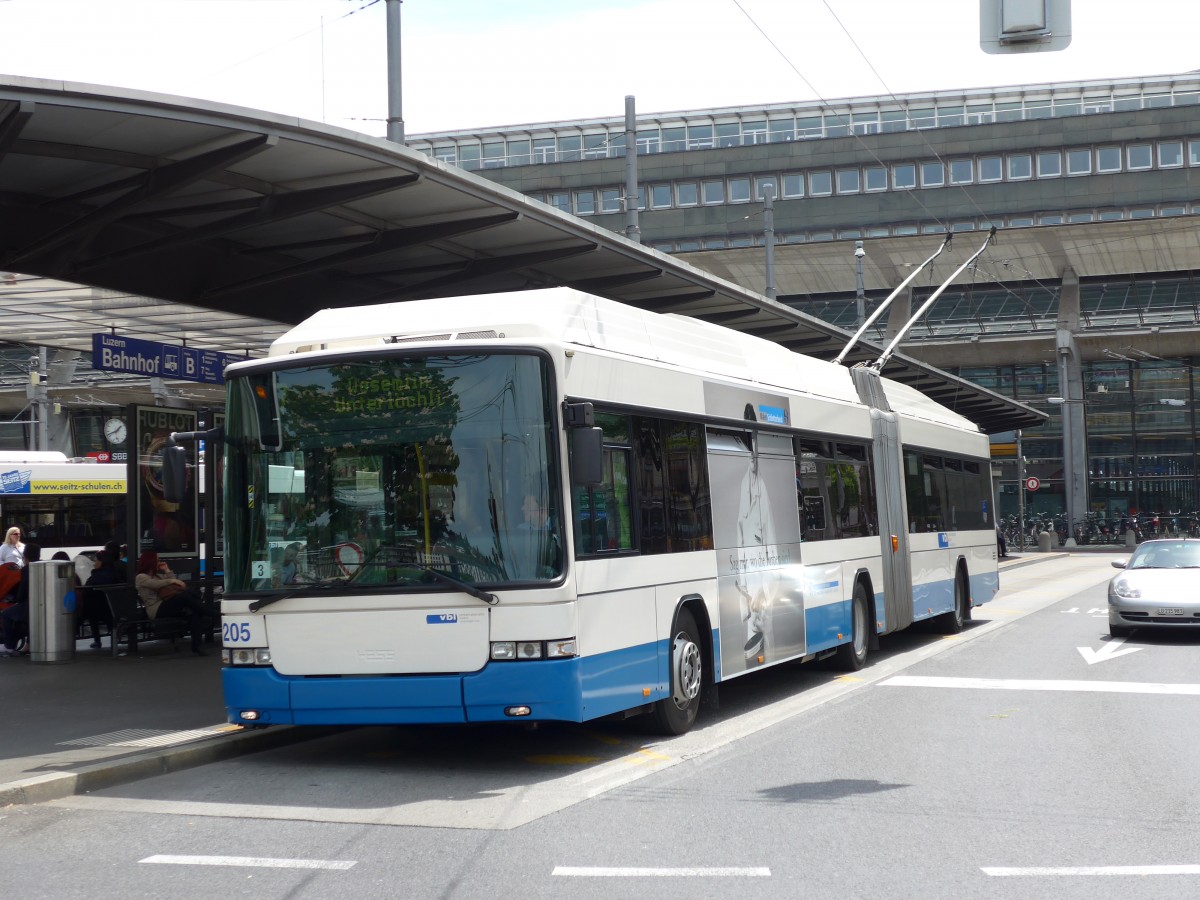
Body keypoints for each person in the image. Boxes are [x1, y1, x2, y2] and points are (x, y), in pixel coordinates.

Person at [133, 550, 211, 656]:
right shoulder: (140, 577)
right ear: (150, 562)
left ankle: (197, 646)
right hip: (156, 608)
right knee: (184, 597)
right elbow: (155, 584)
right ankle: (209, 612)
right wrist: (172, 581)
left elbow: (174, 584)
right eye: (157, 560)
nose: (159, 562)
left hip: (167, 604)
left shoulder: (158, 576)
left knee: (193, 613)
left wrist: (166, 570)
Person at [0, 543, 40, 656]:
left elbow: (22, 594)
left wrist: (18, 600)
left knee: (6, 614)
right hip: (41, 605)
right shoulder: (42, 566)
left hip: (29, 606)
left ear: (25, 556)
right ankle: (28, 643)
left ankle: (9, 646)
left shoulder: (27, 570)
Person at [82, 548, 121, 650]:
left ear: (102, 562)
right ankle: (114, 636)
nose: (95, 563)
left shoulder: (97, 575)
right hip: (113, 608)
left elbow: (87, 588)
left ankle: (97, 640)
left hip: (98, 609)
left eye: (97, 560)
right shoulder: (114, 573)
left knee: (89, 609)